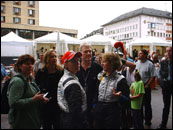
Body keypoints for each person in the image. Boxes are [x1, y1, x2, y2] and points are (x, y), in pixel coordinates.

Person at [7, 54, 49, 129]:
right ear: (20, 66)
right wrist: (34, 99)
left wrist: (40, 99)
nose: (30, 66)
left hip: (32, 121)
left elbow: (33, 96)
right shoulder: (18, 81)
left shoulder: (30, 78)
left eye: (31, 64)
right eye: (27, 64)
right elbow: (14, 103)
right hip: (21, 123)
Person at [94, 52, 129, 129]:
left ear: (112, 63)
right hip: (99, 109)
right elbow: (96, 94)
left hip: (113, 111)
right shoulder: (100, 76)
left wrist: (121, 96)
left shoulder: (121, 79)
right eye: (102, 61)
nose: (102, 64)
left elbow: (128, 99)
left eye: (104, 61)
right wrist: (95, 107)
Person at [58, 50, 89, 129]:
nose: (77, 63)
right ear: (65, 64)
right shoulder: (72, 84)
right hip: (74, 123)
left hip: (66, 118)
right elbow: (76, 111)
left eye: (78, 60)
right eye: (73, 61)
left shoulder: (65, 77)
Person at [76, 43, 103, 128]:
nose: (88, 53)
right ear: (80, 54)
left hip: (93, 104)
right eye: (85, 52)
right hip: (79, 105)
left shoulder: (98, 68)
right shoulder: (76, 67)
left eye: (90, 51)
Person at [35, 50, 63, 129]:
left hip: (57, 103)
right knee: (46, 125)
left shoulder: (60, 71)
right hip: (45, 103)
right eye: (51, 57)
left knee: (58, 125)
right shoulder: (41, 72)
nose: (54, 58)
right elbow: (37, 86)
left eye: (55, 56)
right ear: (47, 59)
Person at [135, 49, 156, 129]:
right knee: (138, 105)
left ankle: (147, 122)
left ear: (145, 55)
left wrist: (147, 85)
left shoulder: (150, 64)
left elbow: (153, 76)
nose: (139, 55)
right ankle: (140, 121)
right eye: (139, 53)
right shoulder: (136, 63)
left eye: (140, 53)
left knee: (147, 105)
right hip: (137, 86)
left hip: (145, 86)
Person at [157, 47, 172, 129]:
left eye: (170, 51)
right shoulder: (163, 62)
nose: (168, 52)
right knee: (166, 105)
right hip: (166, 85)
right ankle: (163, 124)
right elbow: (159, 74)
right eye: (167, 51)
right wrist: (162, 83)